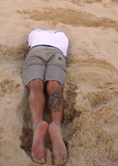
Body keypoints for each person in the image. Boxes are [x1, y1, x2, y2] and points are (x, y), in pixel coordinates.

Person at [22, 28, 69, 165]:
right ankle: (56, 125)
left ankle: (38, 124)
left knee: (35, 85)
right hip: (57, 53)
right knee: (54, 86)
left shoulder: (34, 32)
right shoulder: (62, 35)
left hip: (35, 51)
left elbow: (29, 45)